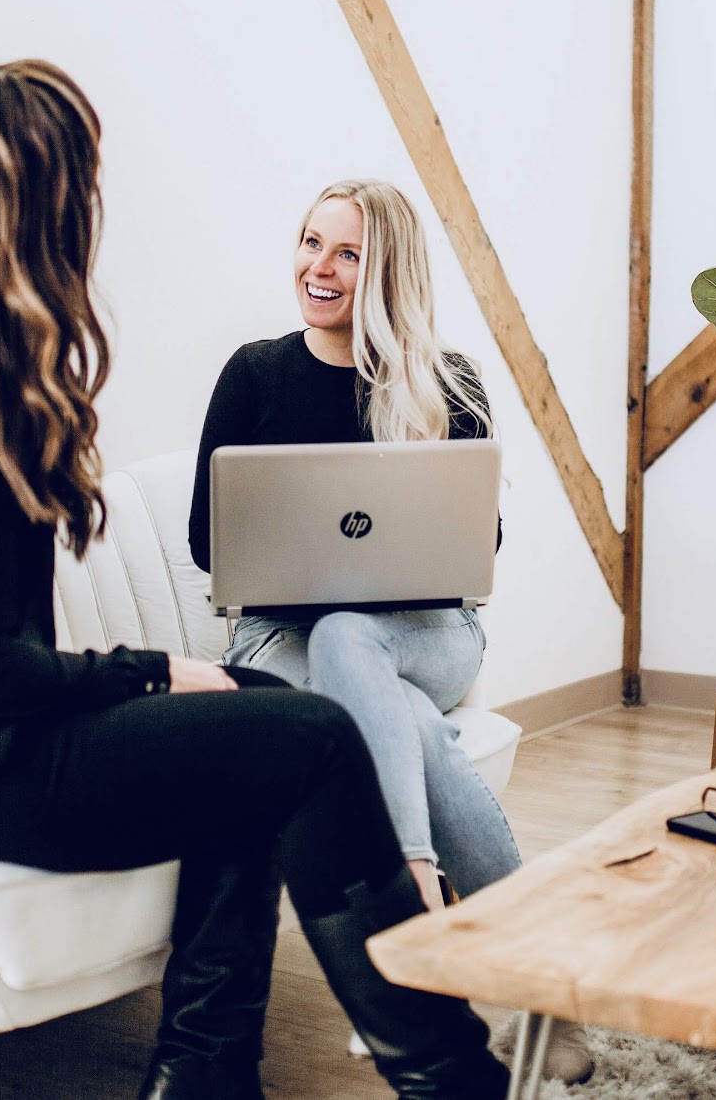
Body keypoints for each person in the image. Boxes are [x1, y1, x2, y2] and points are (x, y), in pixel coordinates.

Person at [0, 65, 510, 1100]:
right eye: (77, 183)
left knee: (254, 711)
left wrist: (159, 677)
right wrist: (142, 671)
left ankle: (207, 1072)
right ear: (29, 199)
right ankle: (453, 1078)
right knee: (309, 736)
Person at [188, 178, 592, 1084]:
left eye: (347, 252)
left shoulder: (446, 380)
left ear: (386, 271)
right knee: (391, 701)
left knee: (352, 634)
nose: (319, 267)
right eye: (310, 242)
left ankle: (408, 923)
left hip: (427, 631)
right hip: (277, 641)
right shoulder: (254, 373)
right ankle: (543, 993)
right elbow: (206, 542)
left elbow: (478, 545)